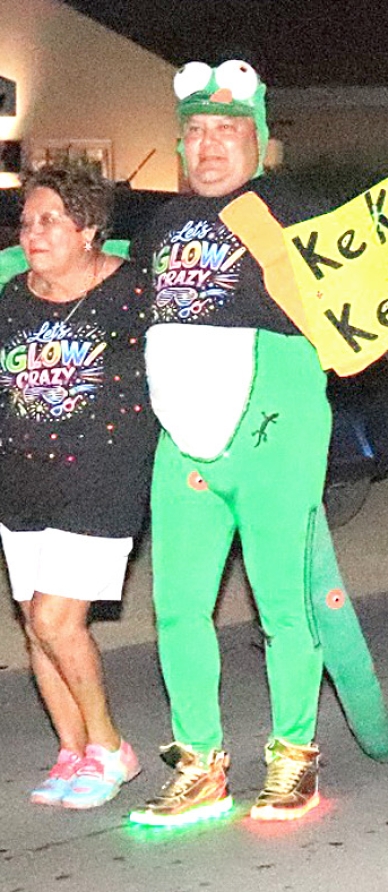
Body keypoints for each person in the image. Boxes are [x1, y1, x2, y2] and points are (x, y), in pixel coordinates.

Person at [129, 60, 388, 827]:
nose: (209, 147)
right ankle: (200, 763)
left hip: (273, 427)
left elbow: (383, 282)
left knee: (282, 604)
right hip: (184, 441)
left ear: (261, 139)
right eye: (197, 133)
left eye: (228, 131)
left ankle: (293, 754)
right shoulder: (162, 223)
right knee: (177, 608)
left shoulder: (294, 209)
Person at [0, 165, 155, 809]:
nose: (33, 232)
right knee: (37, 630)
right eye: (28, 221)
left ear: (89, 228)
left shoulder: (134, 295)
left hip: (102, 476)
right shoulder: (11, 296)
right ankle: (72, 752)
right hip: (20, 480)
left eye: (50, 220)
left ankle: (110, 747)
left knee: (55, 618)